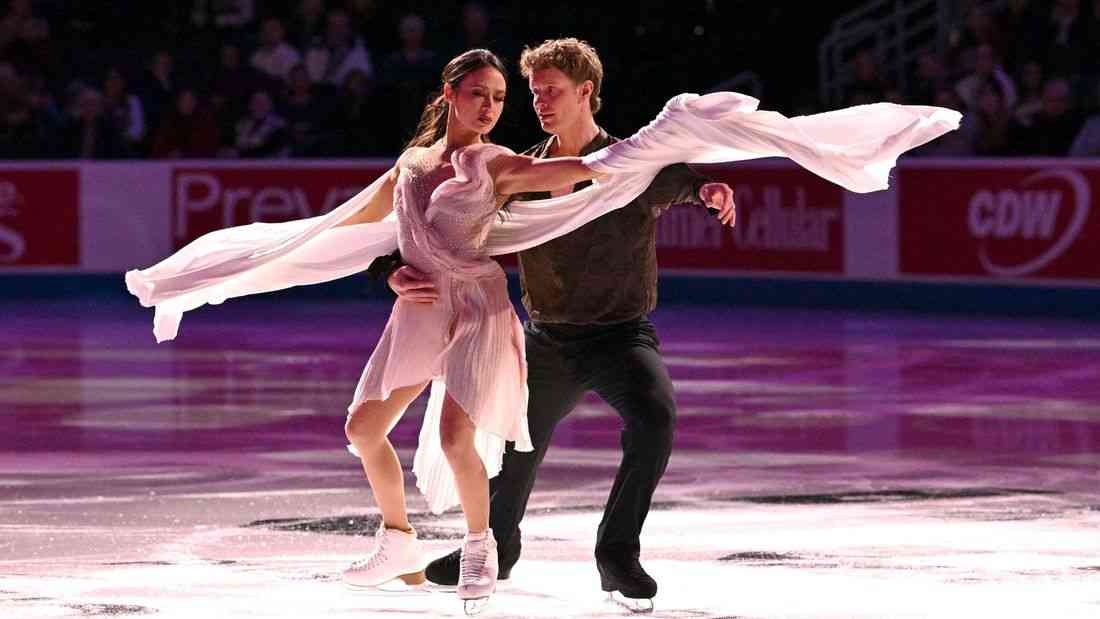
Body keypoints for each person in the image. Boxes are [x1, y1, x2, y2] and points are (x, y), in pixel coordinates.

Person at [126, 45, 958, 616]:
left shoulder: (579, 166)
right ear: (457, 97)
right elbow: (387, 232)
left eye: (533, 91)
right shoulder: (460, 166)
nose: (520, 103)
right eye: (508, 94)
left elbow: (645, 175)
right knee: (451, 439)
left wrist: (694, 182)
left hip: (595, 326)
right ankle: (452, 545)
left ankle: (573, 554)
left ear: (585, 91)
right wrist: (389, 273)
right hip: (525, 327)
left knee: (601, 427)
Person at [382, 38, 733, 611]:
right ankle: (498, 547)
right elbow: (425, 226)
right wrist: (390, 268)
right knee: (517, 444)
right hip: (549, 337)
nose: (539, 101)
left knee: (656, 420)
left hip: (622, 334)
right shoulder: (518, 169)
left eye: (552, 91)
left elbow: (683, 181)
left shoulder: (631, 166)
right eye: (535, 91)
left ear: (586, 91)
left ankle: (617, 554)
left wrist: (708, 188)